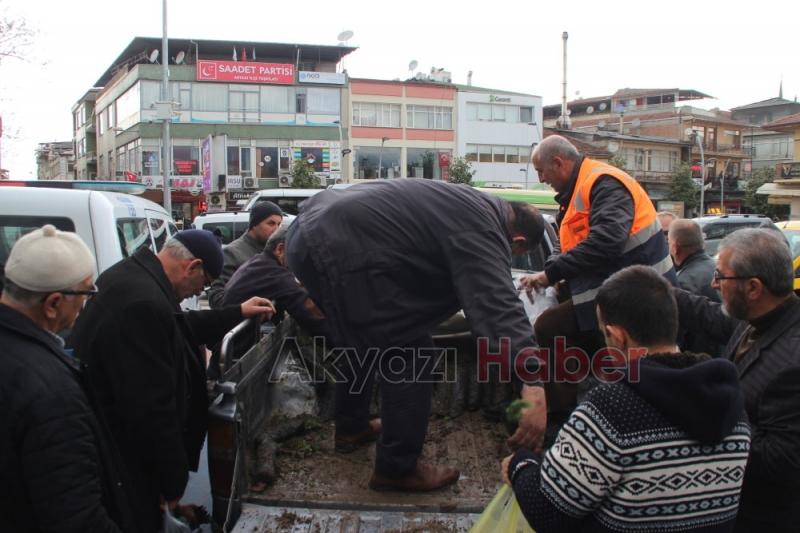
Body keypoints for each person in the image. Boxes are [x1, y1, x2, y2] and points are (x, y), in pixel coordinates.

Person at [286, 179, 547, 492]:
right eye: (513, 253)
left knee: (363, 339)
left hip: (310, 232)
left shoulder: (475, 204)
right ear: (518, 241)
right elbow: (497, 304)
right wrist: (532, 382)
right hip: (337, 244)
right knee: (412, 353)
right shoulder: (484, 228)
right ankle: (397, 469)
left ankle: (351, 428)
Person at [502, 265, 750, 533]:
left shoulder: (611, 409)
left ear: (618, 337)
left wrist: (520, 464)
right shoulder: (731, 402)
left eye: (603, 334)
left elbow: (548, 511)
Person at [68, 230, 275, 533]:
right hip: (125, 459)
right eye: (204, 283)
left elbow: (178, 325)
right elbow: (153, 410)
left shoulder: (132, 276)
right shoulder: (143, 304)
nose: (198, 292)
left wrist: (237, 312)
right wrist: (172, 484)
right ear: (193, 266)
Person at [519, 135, 676, 444]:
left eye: (541, 171)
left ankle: (561, 419)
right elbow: (565, 244)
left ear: (558, 163)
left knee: (550, 329)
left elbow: (607, 240)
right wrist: (552, 270)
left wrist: (550, 275)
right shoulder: (578, 190)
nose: (541, 179)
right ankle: (575, 412)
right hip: (614, 287)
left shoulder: (603, 183)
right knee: (566, 336)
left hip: (641, 293)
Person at [0, 225, 135, 532]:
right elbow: (75, 514)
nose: (86, 305)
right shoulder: (49, 390)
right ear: (53, 304)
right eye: (86, 293)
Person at [673, 228, 800, 532]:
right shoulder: (759, 317)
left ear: (753, 288)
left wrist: (705, 413)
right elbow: (710, 316)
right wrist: (660, 291)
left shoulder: (792, 360)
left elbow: (782, 458)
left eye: (720, 276)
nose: (713, 284)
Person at [215, 224, 328, 374]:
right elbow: (310, 314)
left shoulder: (259, 262)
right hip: (234, 361)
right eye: (299, 254)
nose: (302, 260)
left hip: (231, 351)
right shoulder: (274, 273)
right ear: (280, 250)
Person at [207, 201, 283, 308]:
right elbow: (217, 298)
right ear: (254, 224)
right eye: (271, 223)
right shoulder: (232, 253)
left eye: (279, 224)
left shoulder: (276, 252)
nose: (276, 229)